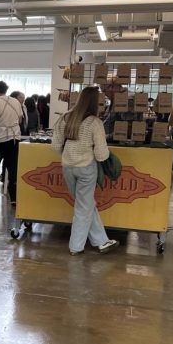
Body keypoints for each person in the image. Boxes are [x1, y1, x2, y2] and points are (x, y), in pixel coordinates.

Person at [52, 86, 119, 256]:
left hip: (68, 167)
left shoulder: (66, 118)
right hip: (86, 168)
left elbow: (55, 145)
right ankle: (75, 246)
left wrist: (68, 155)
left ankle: (102, 241)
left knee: (85, 205)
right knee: (83, 207)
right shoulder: (94, 122)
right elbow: (102, 154)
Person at [0, 80, 23, 205]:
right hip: (14, 138)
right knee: (13, 169)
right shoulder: (16, 102)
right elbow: (20, 119)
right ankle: (14, 198)